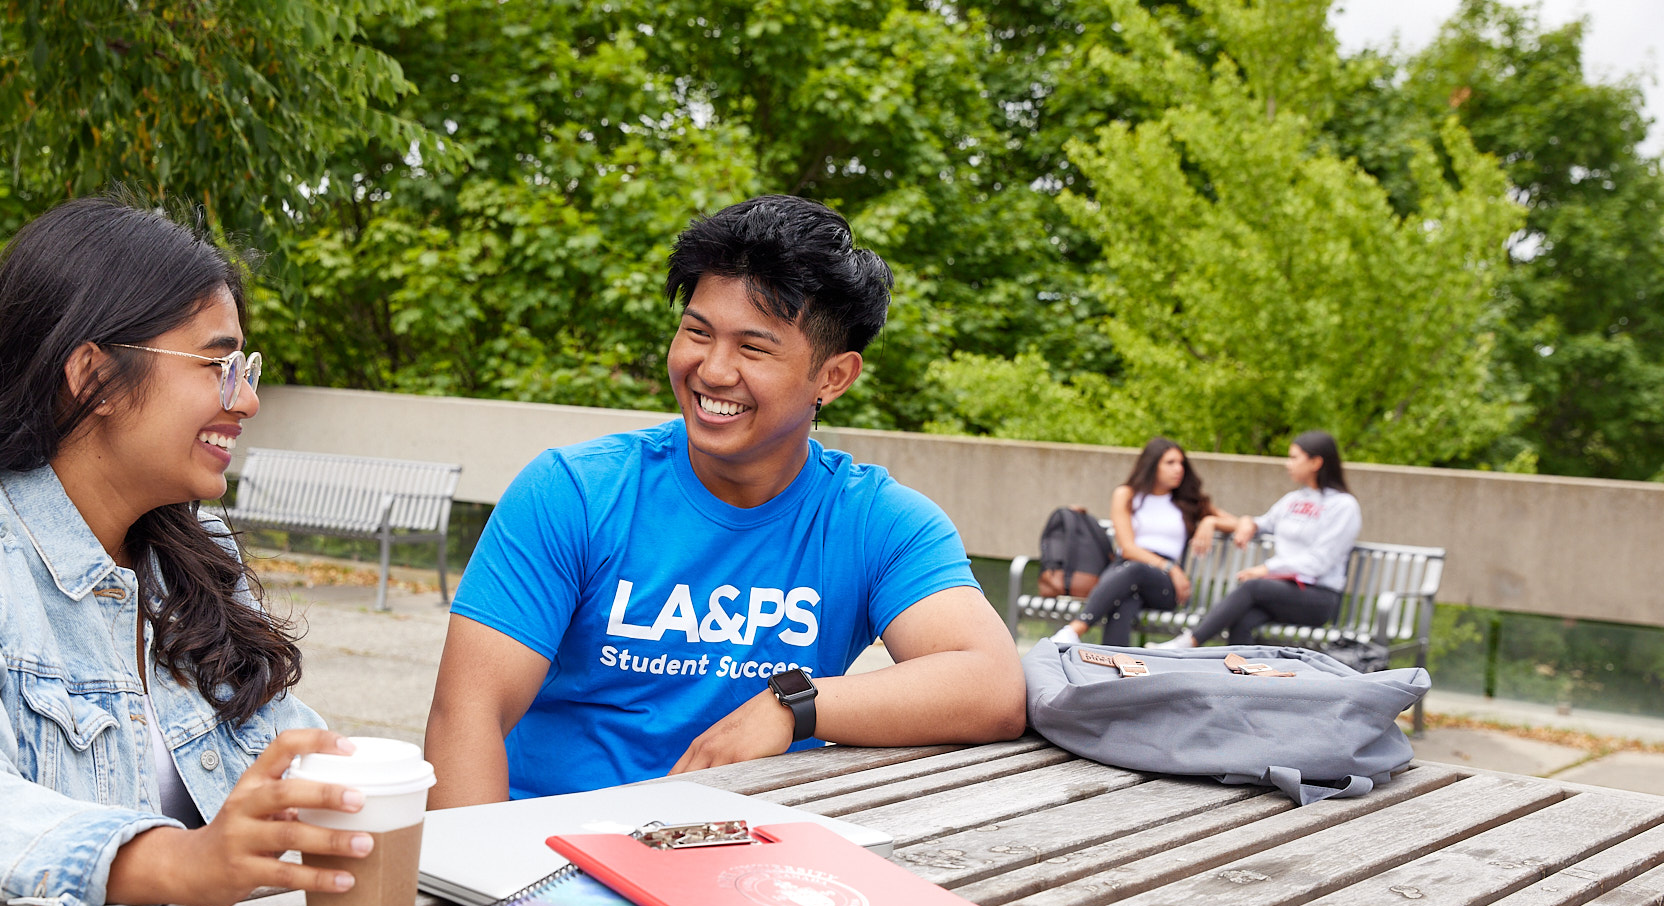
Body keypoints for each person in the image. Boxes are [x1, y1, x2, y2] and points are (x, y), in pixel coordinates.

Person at [0, 198, 376, 906]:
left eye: (243, 367)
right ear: (94, 376)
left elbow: (296, 775)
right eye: (217, 364)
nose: (245, 399)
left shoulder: (198, 555)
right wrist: (182, 863)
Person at [424, 195, 1025, 806]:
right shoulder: (574, 491)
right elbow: (466, 716)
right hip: (551, 849)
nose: (712, 370)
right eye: (697, 332)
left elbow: (990, 684)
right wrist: (486, 887)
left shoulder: (876, 521)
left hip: (747, 857)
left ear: (833, 377)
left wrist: (791, 704)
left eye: (753, 348)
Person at [1159, 430, 1361, 649]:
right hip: (1281, 591)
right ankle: (1242, 677)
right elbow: (1263, 523)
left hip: (1317, 597)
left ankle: (1188, 643)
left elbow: (1319, 562)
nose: (1287, 464)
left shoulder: (1343, 506)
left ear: (1315, 462)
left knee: (1252, 587)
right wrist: (1246, 522)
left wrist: (1267, 569)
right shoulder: (1293, 500)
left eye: (1294, 457)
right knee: (1243, 620)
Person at [1049, 437, 1224, 648]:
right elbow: (1128, 547)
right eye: (1170, 463)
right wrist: (1171, 568)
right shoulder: (1127, 495)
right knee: (1123, 603)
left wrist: (1209, 520)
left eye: (1181, 463)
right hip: (1128, 570)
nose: (1178, 469)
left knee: (1134, 572)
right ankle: (1114, 668)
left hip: (1163, 584)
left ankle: (1075, 629)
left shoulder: (1188, 502)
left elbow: (1238, 523)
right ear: (1152, 464)